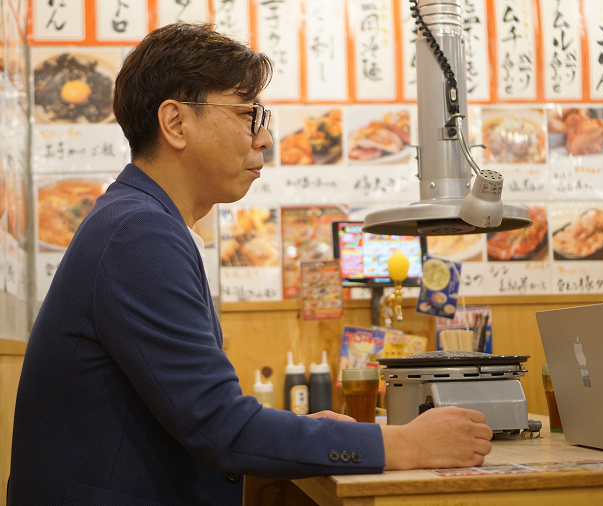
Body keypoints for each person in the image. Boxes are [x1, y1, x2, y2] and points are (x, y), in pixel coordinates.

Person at [8, 23, 492, 506]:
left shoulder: (139, 220)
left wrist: (309, 434)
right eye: (247, 114)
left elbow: (200, 415)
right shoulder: (139, 233)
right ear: (175, 123)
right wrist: (403, 444)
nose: (264, 138)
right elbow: (220, 427)